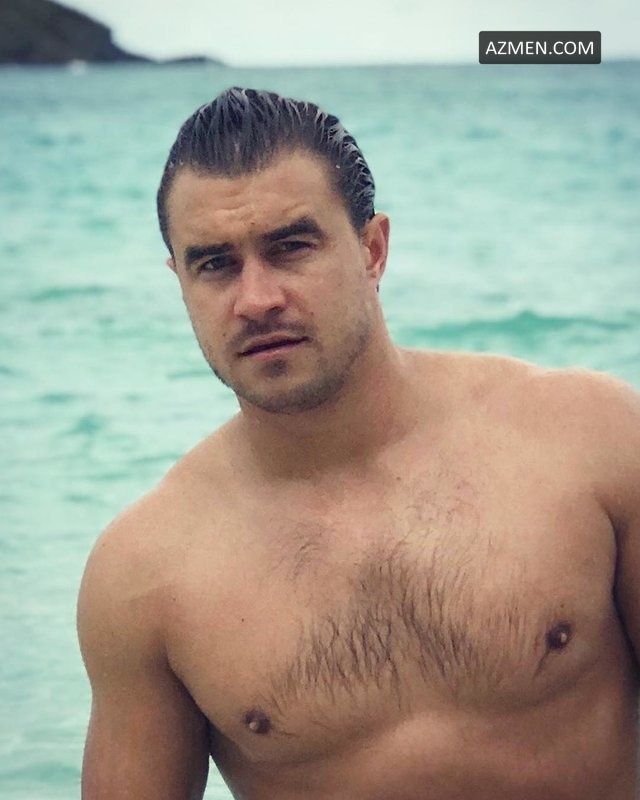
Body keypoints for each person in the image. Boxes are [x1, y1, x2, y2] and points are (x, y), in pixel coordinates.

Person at [77, 87, 640, 799]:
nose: (257, 299)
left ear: (373, 250)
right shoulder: (143, 576)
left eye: (290, 247)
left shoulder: (592, 439)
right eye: (215, 264)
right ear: (180, 281)